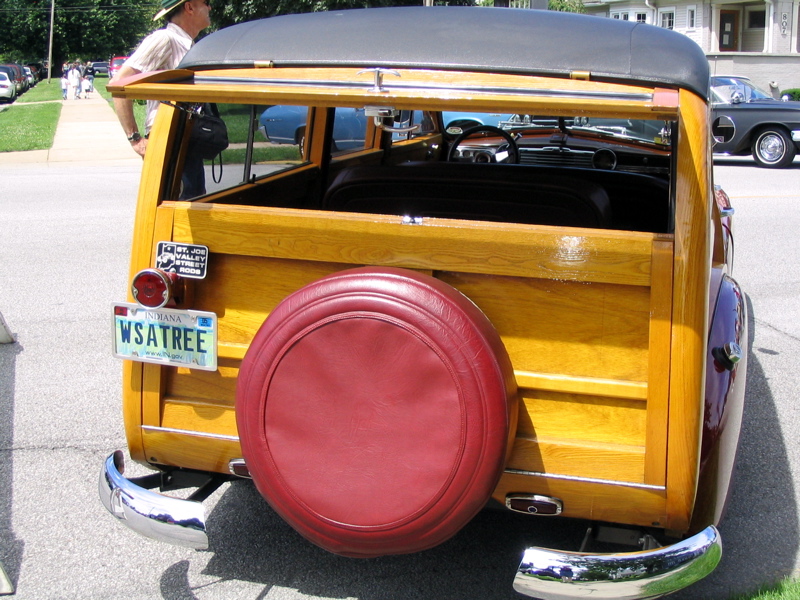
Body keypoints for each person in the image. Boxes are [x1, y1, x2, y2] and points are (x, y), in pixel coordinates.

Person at [111, 0, 211, 198]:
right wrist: (135, 139)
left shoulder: (187, 44)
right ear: (189, 7)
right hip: (168, 136)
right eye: (206, 2)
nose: (210, 8)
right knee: (178, 208)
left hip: (185, 136)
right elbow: (119, 84)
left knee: (192, 201)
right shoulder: (164, 39)